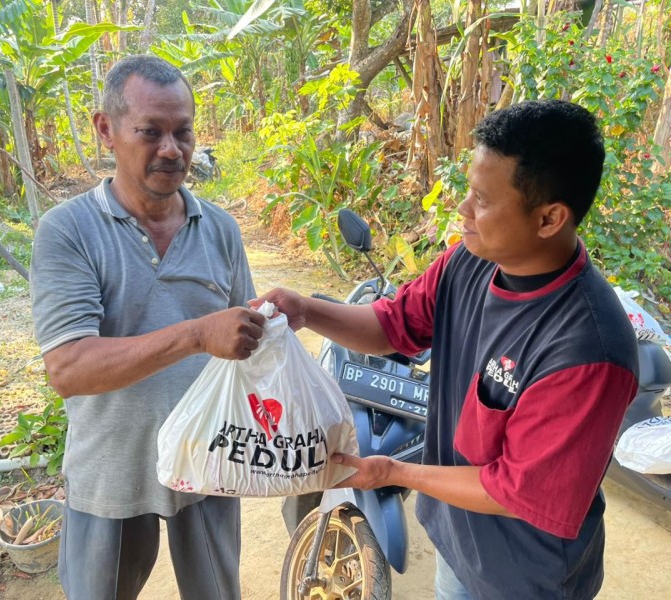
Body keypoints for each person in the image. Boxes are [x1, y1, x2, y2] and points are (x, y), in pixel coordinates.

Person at [256, 99, 638, 599]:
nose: (462, 211)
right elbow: (393, 325)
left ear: (549, 218)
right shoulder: (470, 262)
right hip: (459, 545)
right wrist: (306, 310)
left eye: (482, 199)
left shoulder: (588, 349)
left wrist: (393, 472)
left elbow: (514, 490)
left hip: (524, 580)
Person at [29, 55, 265, 600]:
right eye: (150, 132)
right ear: (105, 130)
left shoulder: (221, 230)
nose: (171, 149)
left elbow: (244, 349)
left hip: (207, 463)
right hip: (110, 469)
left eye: (183, 132)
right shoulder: (68, 231)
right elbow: (68, 368)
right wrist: (196, 335)